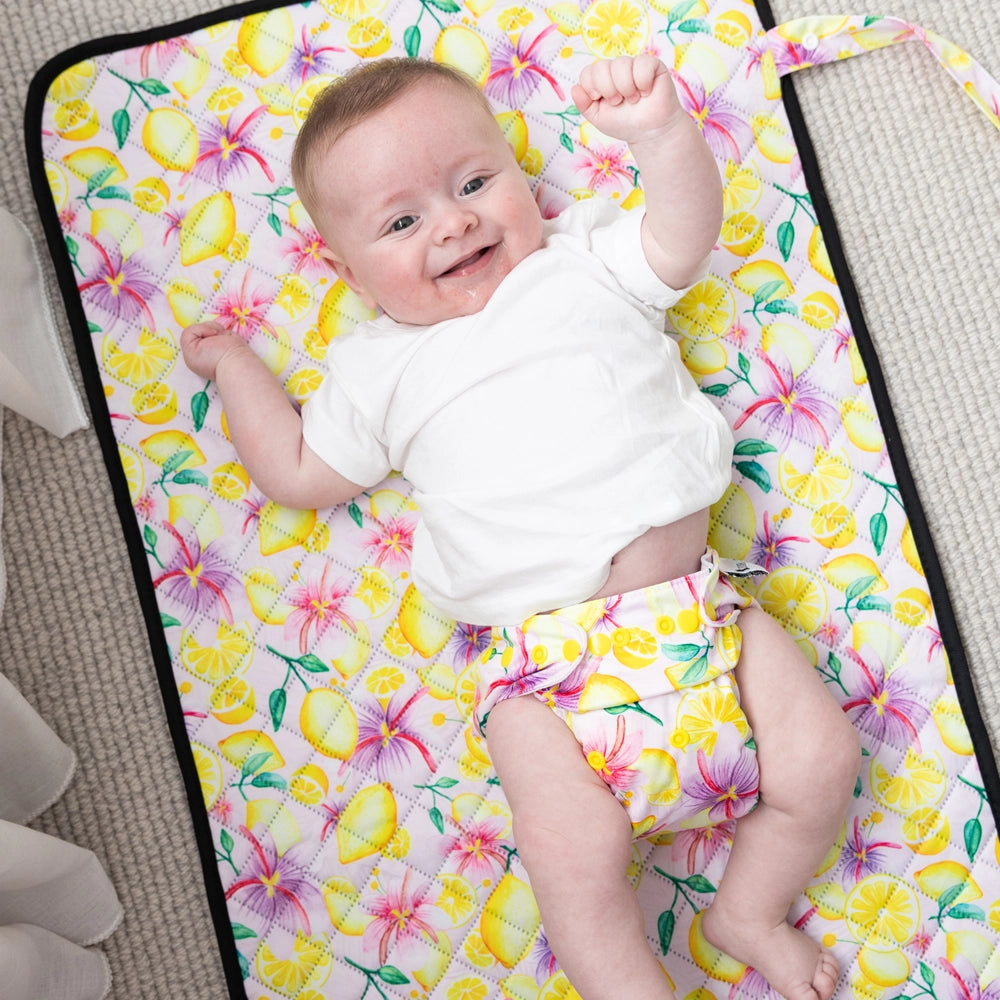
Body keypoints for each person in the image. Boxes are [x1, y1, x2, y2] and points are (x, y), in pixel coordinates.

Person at [181, 54, 861, 1000]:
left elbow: (683, 235)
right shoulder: (378, 369)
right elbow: (295, 471)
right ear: (346, 270)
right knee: (575, 866)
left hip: (702, 614)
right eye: (402, 222)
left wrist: (661, 134)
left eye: (473, 183)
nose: (454, 222)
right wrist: (236, 371)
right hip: (545, 674)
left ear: (516, 174)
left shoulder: (579, 260)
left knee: (823, 759)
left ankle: (748, 909)